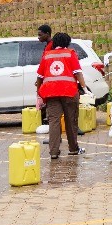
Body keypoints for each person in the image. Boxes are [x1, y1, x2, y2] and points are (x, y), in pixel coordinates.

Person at [36, 32, 87, 160]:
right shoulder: (70, 53)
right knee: (71, 121)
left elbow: (39, 77)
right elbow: (78, 73)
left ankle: (53, 152)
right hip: (69, 92)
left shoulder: (46, 55)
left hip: (51, 93)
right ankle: (73, 149)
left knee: (54, 121)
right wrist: (84, 88)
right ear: (67, 43)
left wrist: (39, 94)